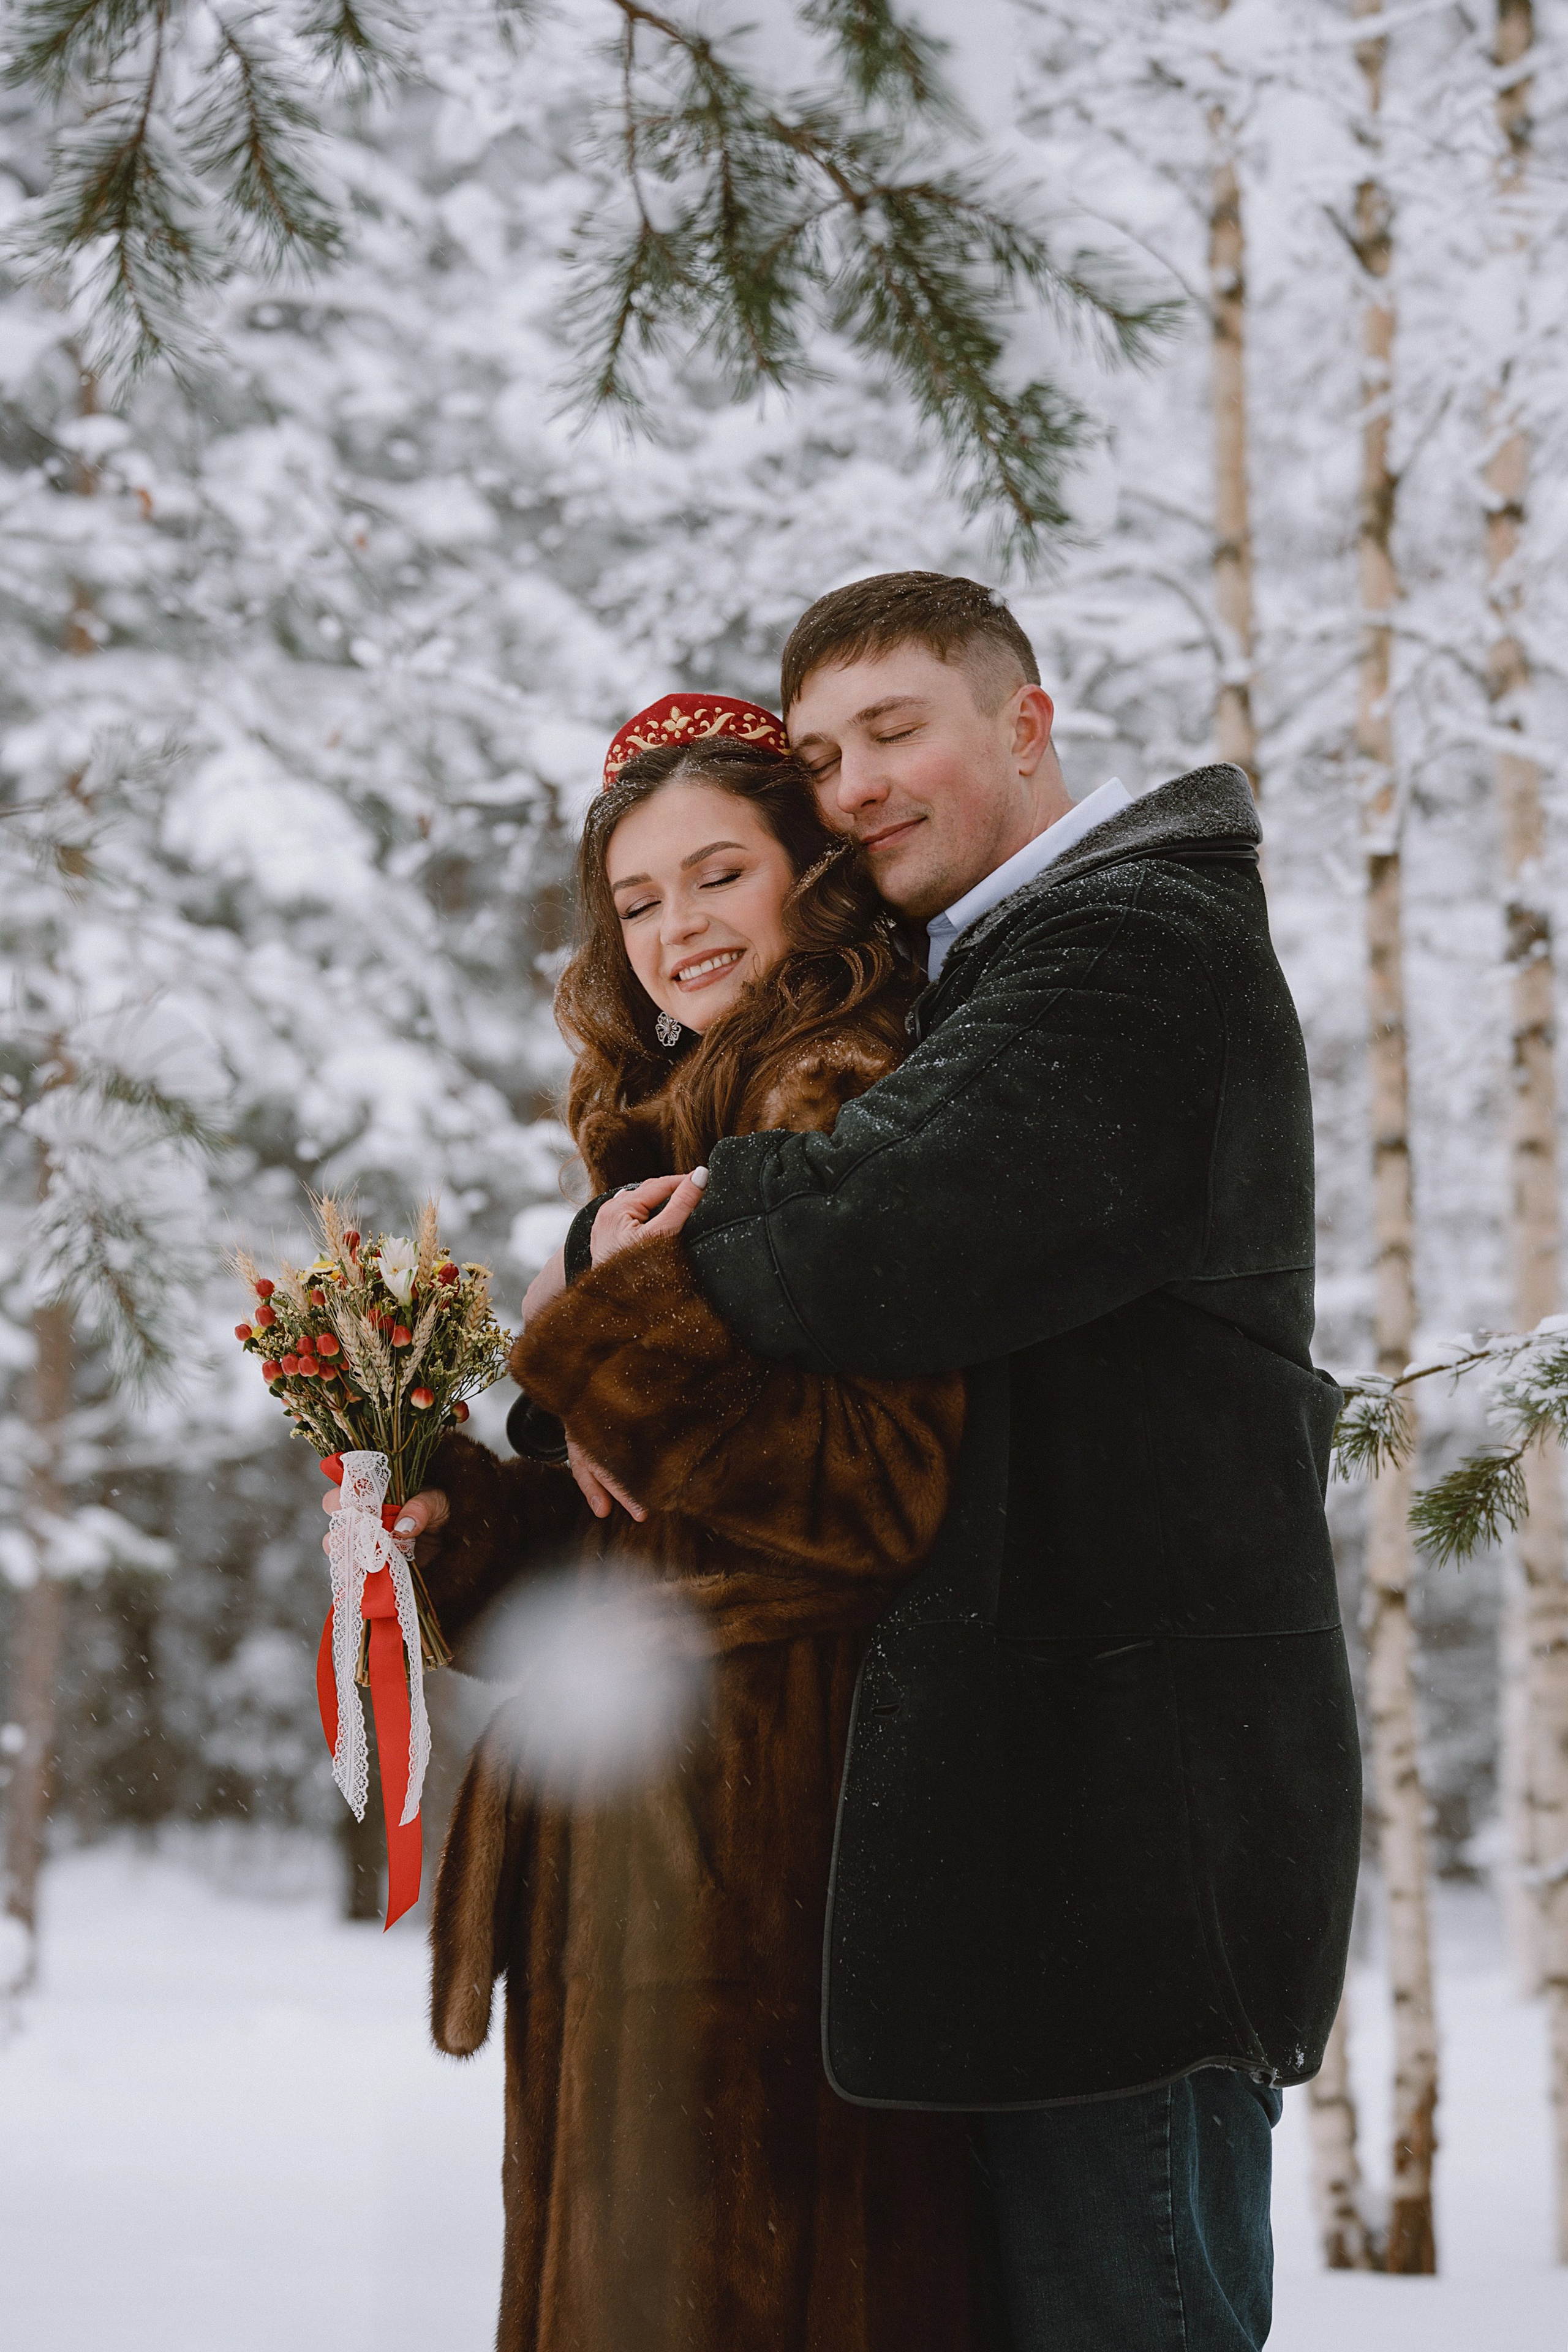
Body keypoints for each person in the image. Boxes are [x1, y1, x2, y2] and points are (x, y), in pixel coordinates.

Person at [516, 575, 1365, 2352]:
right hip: (1048, 1833)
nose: (857, 785)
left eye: (896, 731)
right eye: (821, 754)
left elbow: (893, 1229)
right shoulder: (994, 964)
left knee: (1128, 2305)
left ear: (1027, 719)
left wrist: (621, 1262)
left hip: (1139, 1822)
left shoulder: (1136, 941)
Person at [369, 698, 986, 2352]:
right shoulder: (653, 1146)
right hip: (639, 1831)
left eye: (721, 872)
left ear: (813, 882)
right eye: (639, 902)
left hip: (781, 1837)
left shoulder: (856, 1117)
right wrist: (444, 1501)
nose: (678, 927)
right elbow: (631, 1540)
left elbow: (876, 1495)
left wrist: (587, 1327)